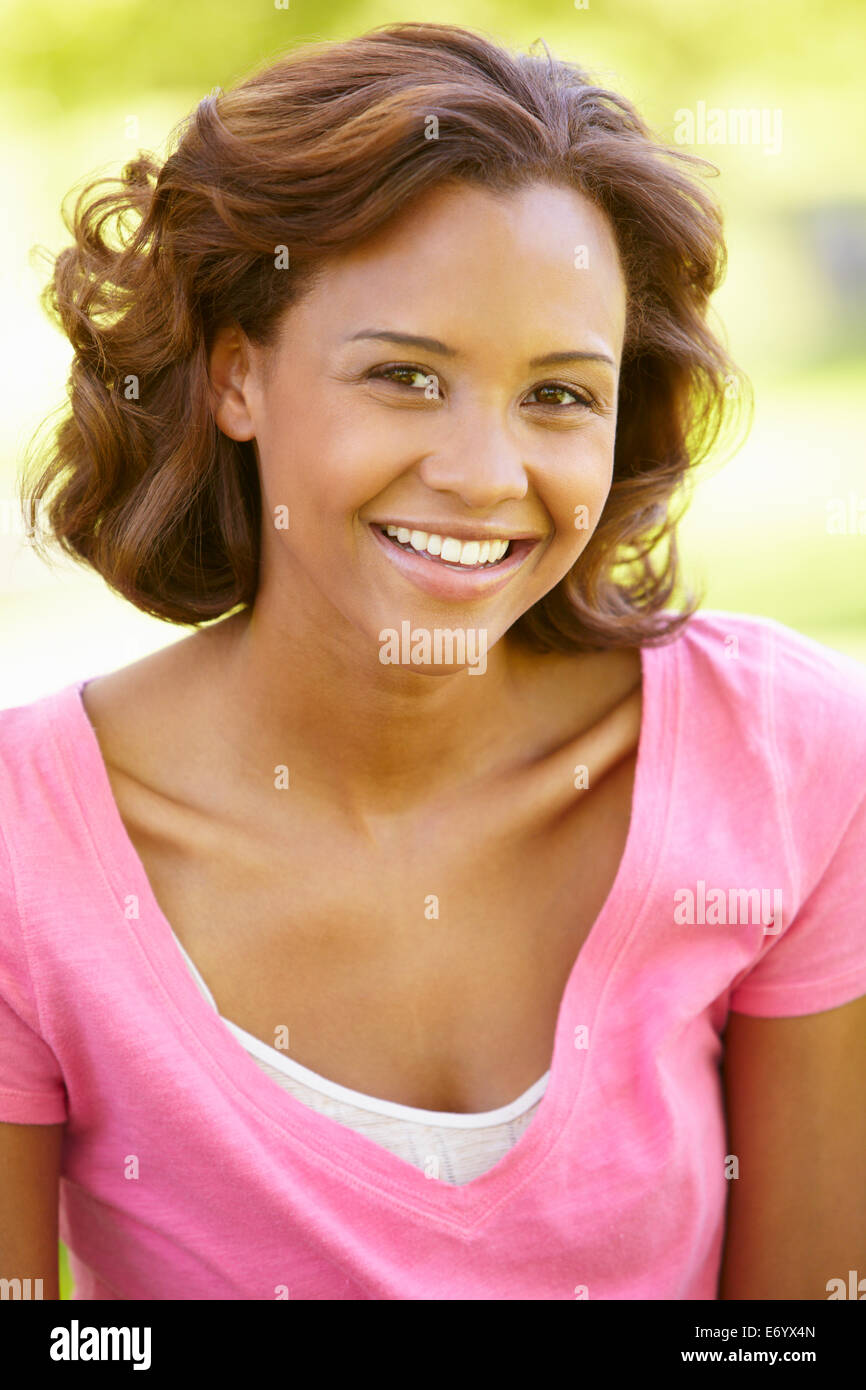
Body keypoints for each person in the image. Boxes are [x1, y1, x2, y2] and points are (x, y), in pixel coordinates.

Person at [1, 22, 864, 1302]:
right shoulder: (31, 846)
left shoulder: (786, 758)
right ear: (238, 376)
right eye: (405, 376)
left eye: (559, 395)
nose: (483, 476)